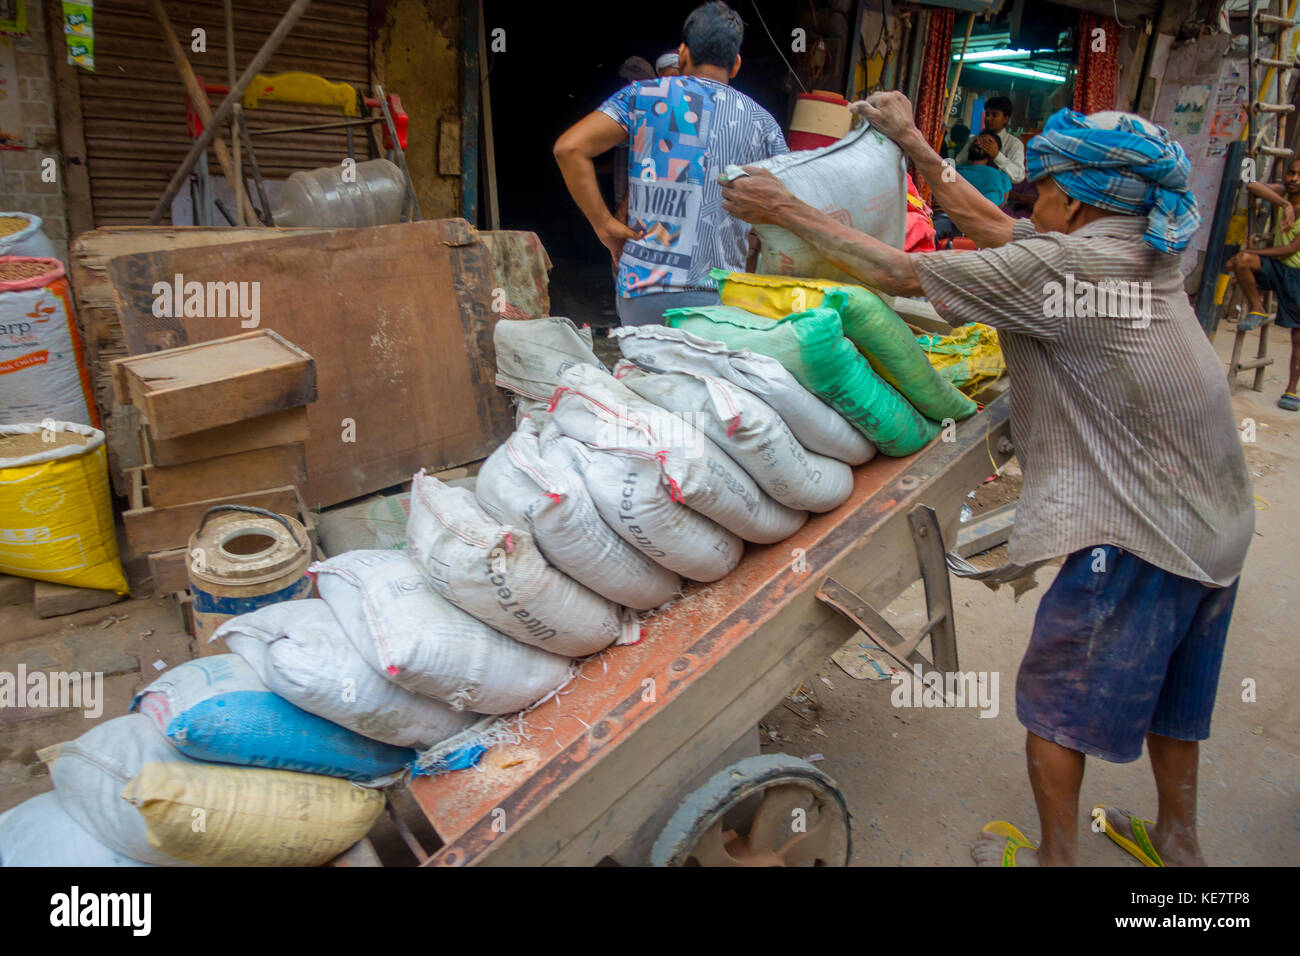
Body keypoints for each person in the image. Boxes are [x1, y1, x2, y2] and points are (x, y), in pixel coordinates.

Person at [719, 93, 1254, 868]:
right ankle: (1178, 841)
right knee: (1176, 689)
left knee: (1056, 703)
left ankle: (1056, 860)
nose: (1029, 199)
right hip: (1222, 520)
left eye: (1042, 187)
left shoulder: (1066, 263)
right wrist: (909, 141)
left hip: (1146, 530)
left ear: (1072, 201)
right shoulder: (1136, 244)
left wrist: (785, 207)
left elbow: (903, 272)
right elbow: (1002, 230)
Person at [554, 1, 787, 326]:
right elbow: (780, 209)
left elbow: (569, 148)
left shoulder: (640, 96)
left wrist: (604, 225)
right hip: (718, 301)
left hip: (644, 295)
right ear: (735, 65)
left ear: (683, 53)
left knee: (641, 376)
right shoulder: (763, 123)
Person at [1225, 159, 1300, 411]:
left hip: (1296, 274)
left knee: (1298, 337)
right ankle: (1257, 309)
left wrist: (1258, 250)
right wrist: (1283, 204)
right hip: (1278, 267)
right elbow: (1253, 185)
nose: (1294, 178)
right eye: (1291, 172)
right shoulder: (1284, 194)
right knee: (1242, 260)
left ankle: (1291, 389)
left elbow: (1291, 248)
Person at [933, 131, 1013, 241]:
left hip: (965, 222)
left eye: (987, 142)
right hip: (940, 215)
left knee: (930, 231)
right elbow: (938, 195)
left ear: (996, 151)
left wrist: (952, 205)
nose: (979, 143)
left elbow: (988, 208)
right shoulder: (952, 169)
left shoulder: (998, 176)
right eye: (977, 140)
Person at [953, 95, 1026, 183]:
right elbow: (957, 164)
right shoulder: (974, 140)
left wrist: (997, 156)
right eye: (987, 114)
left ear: (1006, 119)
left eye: (994, 115)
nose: (988, 118)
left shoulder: (1014, 144)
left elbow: (1018, 176)